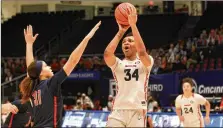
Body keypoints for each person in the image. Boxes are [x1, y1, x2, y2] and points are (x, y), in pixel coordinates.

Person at [20, 22, 101, 127]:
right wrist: (87, 38)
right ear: (40, 73)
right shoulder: (51, 83)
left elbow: (30, 68)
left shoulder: (34, 87)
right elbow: (73, 60)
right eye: (45, 66)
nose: (49, 67)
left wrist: (29, 44)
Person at [104, 6, 154, 127]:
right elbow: (107, 54)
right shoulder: (118, 64)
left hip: (137, 109)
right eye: (124, 41)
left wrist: (133, 25)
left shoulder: (146, 62)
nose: (126, 42)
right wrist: (120, 32)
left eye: (130, 41)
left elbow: (142, 53)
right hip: (118, 110)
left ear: (137, 45)